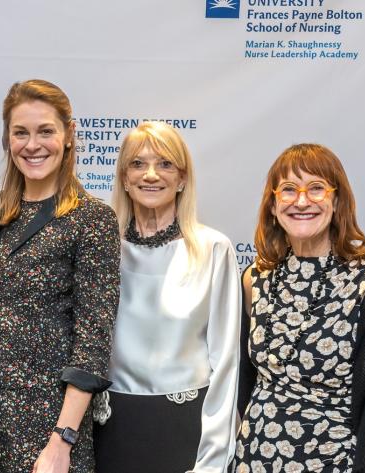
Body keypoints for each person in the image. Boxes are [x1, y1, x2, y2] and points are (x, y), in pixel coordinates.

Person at [0, 79, 120, 473]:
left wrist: (62, 440)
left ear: (68, 136)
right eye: (21, 133)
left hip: (48, 418)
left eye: (46, 131)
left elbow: (93, 340)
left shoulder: (92, 219)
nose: (33, 145)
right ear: (7, 139)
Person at [236, 144, 365, 473]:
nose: (301, 201)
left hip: (332, 462)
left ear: (337, 200)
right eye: (288, 190)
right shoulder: (255, 278)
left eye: (316, 188)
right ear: (272, 205)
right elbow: (245, 380)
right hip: (253, 459)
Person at [92, 121, 240, 472]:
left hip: (185, 429)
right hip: (110, 429)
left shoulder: (213, 249)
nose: (151, 175)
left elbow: (226, 361)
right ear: (124, 179)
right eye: (138, 164)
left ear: (183, 178)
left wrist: (214, 459)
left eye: (165, 164)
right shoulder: (100, 249)